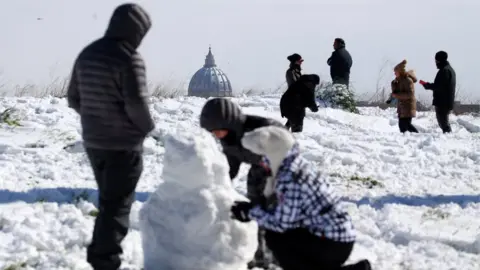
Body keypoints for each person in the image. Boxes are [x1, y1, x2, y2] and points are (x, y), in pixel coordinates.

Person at [67, 3, 154, 270]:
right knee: (117, 207)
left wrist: (95, 120)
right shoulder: (129, 58)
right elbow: (136, 104)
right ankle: (105, 261)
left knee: (109, 201)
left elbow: (73, 98)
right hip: (123, 146)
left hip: (94, 144)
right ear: (136, 31)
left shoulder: (87, 54)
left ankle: (100, 255)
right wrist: (147, 129)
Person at [231, 126, 372, 270]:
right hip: (335, 237)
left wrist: (249, 212)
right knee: (284, 237)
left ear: (273, 154)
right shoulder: (295, 164)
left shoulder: (289, 177)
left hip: (333, 243)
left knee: (276, 237)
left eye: (261, 157)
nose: (259, 163)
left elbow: (281, 224)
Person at [199, 98, 284, 269]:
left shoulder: (262, 129)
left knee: (271, 212)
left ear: (228, 123)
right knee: (255, 209)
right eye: (212, 132)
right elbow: (231, 165)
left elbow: (285, 150)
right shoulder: (229, 138)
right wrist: (219, 184)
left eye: (217, 131)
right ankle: (259, 254)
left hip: (280, 172)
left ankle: (278, 255)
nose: (216, 135)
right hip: (258, 171)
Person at [419, 51, 456, 133]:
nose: (435, 62)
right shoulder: (449, 70)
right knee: (444, 123)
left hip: (442, 102)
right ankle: (448, 138)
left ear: (439, 60)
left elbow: (439, 86)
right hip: (446, 102)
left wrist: (427, 85)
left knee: (443, 124)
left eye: (436, 61)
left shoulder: (445, 71)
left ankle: (449, 140)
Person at [391, 60, 419, 133]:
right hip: (402, 107)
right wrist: (393, 84)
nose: (394, 73)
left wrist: (397, 95)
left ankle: (417, 136)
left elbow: (410, 94)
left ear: (400, 71)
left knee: (405, 125)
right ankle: (407, 139)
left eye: (395, 72)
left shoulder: (408, 80)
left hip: (408, 106)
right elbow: (395, 92)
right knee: (402, 125)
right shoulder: (399, 81)